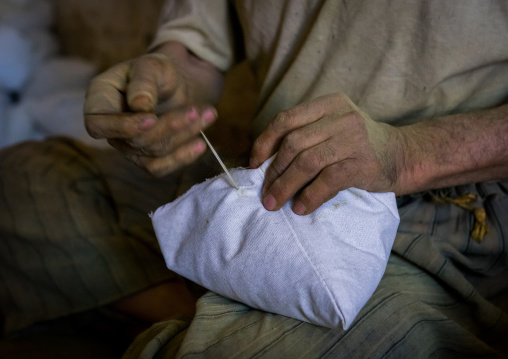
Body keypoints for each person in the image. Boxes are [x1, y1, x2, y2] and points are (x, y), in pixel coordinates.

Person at [1, 0, 508, 357]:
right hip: (258, 171)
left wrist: (405, 155)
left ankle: (221, 305)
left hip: (442, 201)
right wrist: (165, 84)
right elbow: (196, 53)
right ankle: (220, 302)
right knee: (18, 185)